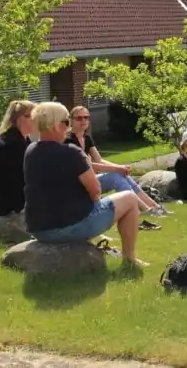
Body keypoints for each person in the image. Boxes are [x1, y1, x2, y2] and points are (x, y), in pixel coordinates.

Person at [23, 102, 146, 267]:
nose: (68, 128)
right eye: (66, 122)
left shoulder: (31, 151)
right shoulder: (71, 152)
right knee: (130, 198)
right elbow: (95, 190)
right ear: (53, 125)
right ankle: (129, 258)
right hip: (68, 228)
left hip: (39, 229)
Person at [64, 106, 168, 216]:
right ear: (71, 120)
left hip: (91, 179)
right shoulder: (69, 141)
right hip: (79, 184)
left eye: (86, 117)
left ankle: (155, 206)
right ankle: (146, 209)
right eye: (79, 118)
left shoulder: (86, 137)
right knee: (116, 177)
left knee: (123, 175)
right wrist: (118, 168)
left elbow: (99, 160)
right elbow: (89, 165)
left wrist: (121, 168)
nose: (83, 121)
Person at [0, 100, 36, 220]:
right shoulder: (12, 145)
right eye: (33, 116)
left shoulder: (21, 140)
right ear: (20, 118)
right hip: (7, 215)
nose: (36, 121)